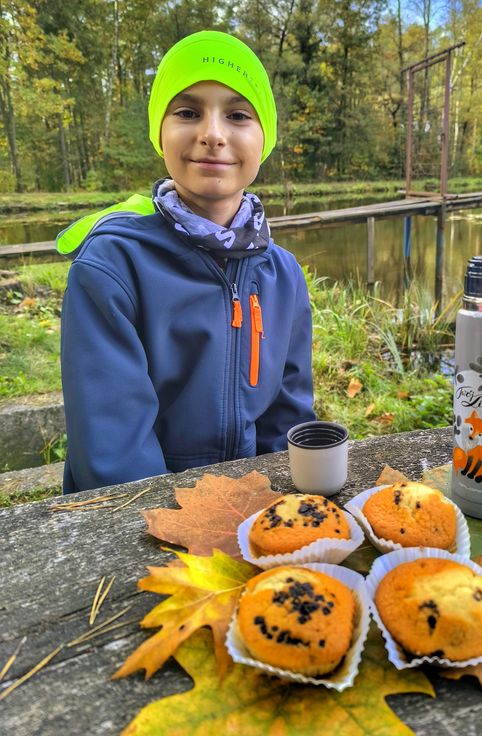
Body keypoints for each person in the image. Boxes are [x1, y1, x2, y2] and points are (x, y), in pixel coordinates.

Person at [57, 31, 315, 494]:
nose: (212, 134)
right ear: (160, 132)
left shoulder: (284, 276)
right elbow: (113, 454)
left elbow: (286, 422)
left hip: (249, 510)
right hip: (141, 519)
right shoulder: (111, 266)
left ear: (265, 139)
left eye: (238, 115)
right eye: (188, 112)